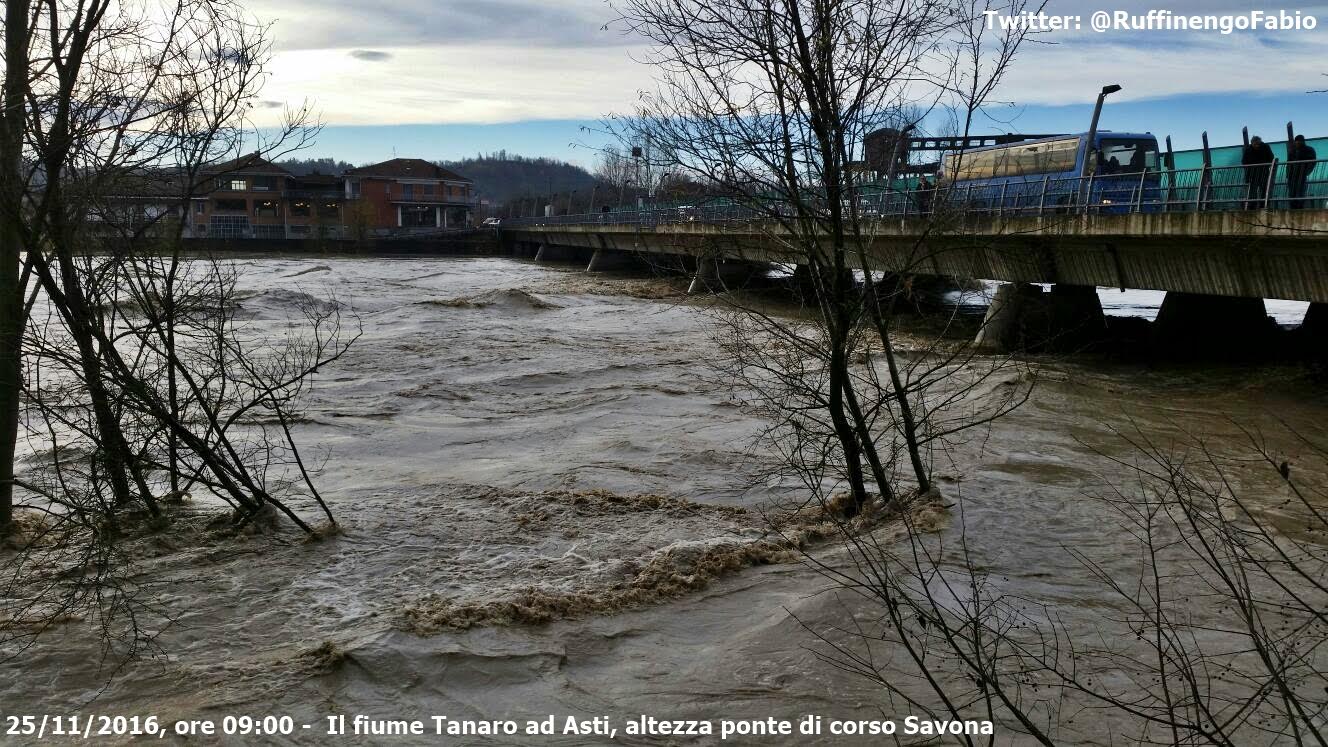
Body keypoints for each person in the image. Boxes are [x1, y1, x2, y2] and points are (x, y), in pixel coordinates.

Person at [1242, 136, 1275, 208]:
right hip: (1255, 174)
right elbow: (1244, 162)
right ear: (1252, 143)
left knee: (1263, 190)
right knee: (1254, 191)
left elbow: (1271, 158)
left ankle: (1262, 205)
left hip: (1262, 172)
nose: (1257, 146)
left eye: (1258, 144)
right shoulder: (1249, 149)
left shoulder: (1264, 147)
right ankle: (1254, 206)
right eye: (1255, 144)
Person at [1286, 135, 1317, 210]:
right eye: (1296, 141)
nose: (1297, 142)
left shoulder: (1308, 150)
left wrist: (1307, 171)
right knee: (1292, 193)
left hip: (1301, 174)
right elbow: (1289, 163)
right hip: (1292, 175)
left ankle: (1299, 208)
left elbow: (1312, 161)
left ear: (1303, 141)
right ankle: (1293, 208)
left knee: (1300, 192)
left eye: (1299, 141)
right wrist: (1288, 173)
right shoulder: (1293, 150)